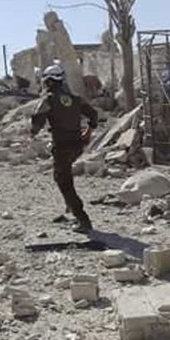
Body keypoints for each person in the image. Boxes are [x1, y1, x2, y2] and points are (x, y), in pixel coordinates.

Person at [30, 63, 99, 233]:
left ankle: (82, 219)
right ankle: (71, 208)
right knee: (64, 176)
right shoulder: (76, 98)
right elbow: (94, 115)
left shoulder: (48, 100)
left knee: (64, 182)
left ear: (50, 82)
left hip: (62, 146)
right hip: (76, 145)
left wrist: (32, 133)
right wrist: (88, 132)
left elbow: (37, 120)